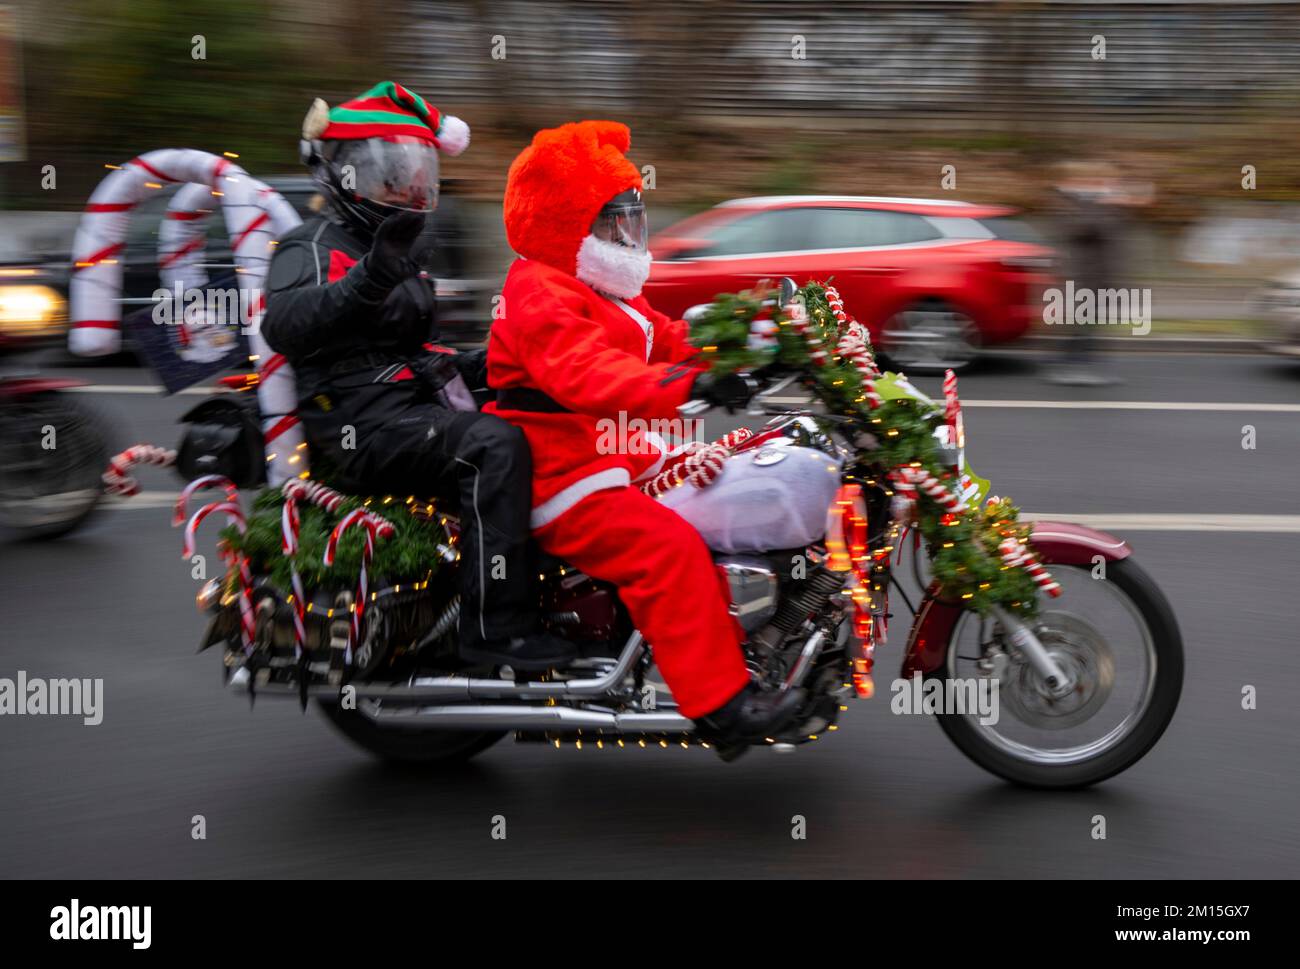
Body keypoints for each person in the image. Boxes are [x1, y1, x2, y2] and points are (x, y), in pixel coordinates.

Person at [486, 120, 806, 754]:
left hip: (615, 451)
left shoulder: (599, 287)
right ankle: (721, 707)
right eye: (612, 221)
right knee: (669, 548)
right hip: (564, 468)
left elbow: (668, 337)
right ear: (567, 223)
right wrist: (691, 389)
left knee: (735, 492)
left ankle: (745, 643)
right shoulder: (538, 290)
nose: (626, 234)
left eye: (630, 218)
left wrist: (761, 334)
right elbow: (588, 373)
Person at [260, 81, 573, 671]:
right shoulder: (313, 243)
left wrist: (521, 358)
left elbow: (420, 349)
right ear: (342, 172)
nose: (405, 185)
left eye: (414, 169)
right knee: (493, 446)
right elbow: (286, 325)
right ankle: (493, 630)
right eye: (386, 171)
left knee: (544, 397)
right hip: (361, 422)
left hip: (414, 401)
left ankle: (568, 588)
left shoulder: (395, 245)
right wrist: (371, 277)